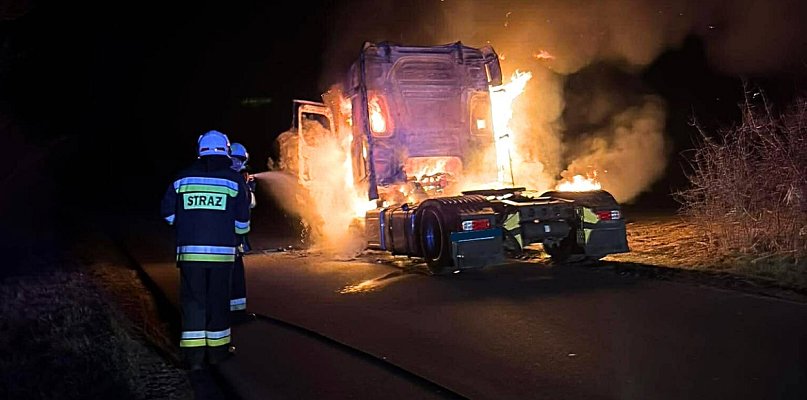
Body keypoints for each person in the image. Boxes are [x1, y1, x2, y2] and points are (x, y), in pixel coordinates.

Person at [160, 130, 251, 370]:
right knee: (218, 302)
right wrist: (235, 234)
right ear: (226, 150)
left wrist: (188, 224)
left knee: (193, 302)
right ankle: (218, 354)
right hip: (222, 256)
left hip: (189, 255)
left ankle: (194, 358)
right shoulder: (234, 181)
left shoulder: (182, 178)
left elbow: (168, 214)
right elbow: (243, 222)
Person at [228, 142, 256, 322]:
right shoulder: (236, 180)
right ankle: (236, 314)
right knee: (235, 276)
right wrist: (248, 188)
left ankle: (231, 311)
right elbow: (249, 204)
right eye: (237, 160)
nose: (240, 164)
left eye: (241, 161)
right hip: (231, 241)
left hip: (219, 239)